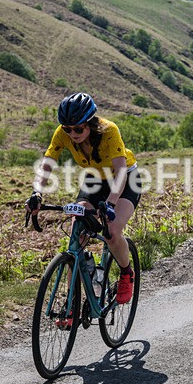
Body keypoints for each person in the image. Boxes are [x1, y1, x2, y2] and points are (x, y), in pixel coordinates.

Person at [25, 92, 141, 305]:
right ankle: (72, 303)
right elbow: (48, 163)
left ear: (90, 123)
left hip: (124, 180)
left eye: (78, 129)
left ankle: (126, 273)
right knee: (76, 233)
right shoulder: (62, 133)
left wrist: (111, 203)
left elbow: (121, 171)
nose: (72, 133)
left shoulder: (109, 131)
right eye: (68, 129)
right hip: (95, 179)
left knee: (112, 232)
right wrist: (37, 193)